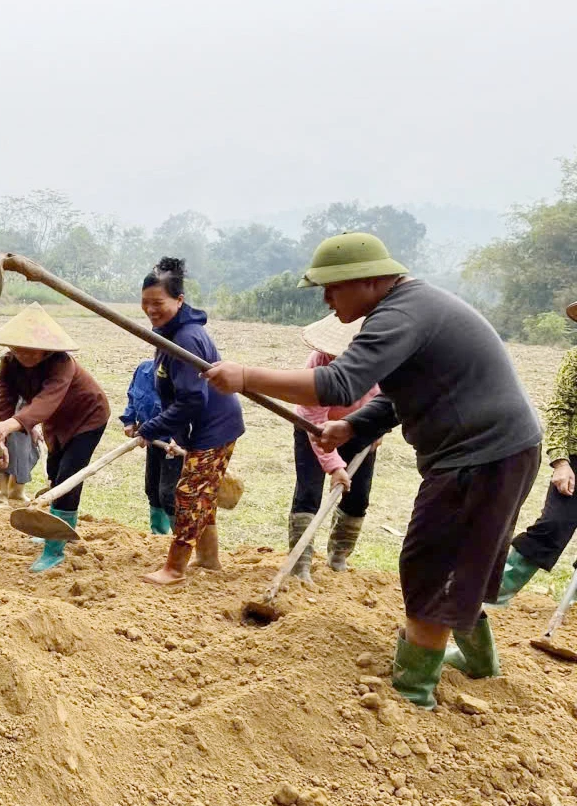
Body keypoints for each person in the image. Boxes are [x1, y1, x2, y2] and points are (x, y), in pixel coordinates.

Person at [203, 232, 541, 709]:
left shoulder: (401, 312)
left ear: (370, 281)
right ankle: (479, 664)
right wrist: (353, 426)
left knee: (429, 561)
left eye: (332, 287)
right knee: (464, 559)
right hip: (499, 452)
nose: (325, 298)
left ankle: (414, 691)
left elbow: (339, 382)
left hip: (479, 456)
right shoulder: (412, 307)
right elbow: (402, 389)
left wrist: (245, 377)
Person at [136, 258, 245, 585]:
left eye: (158, 304)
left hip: (212, 426)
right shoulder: (170, 332)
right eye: (145, 304)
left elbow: (193, 399)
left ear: (179, 300)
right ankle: (209, 560)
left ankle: (174, 569)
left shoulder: (185, 338)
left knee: (189, 495)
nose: (151, 311)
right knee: (203, 494)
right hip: (203, 426)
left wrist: (153, 427)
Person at [0, 303, 110, 572]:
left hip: (88, 417)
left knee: (68, 477)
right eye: (17, 348)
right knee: (54, 471)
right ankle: (59, 528)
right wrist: (0, 440)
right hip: (56, 423)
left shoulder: (62, 363)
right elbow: (5, 402)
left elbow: (44, 403)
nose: (23, 354)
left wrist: (10, 425)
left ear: (46, 348)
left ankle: (54, 549)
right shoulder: (9, 364)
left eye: (30, 349)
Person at [491, 300, 577, 608]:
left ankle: (570, 613)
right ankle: (491, 596)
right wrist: (562, 462)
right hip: (575, 460)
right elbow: (559, 410)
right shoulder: (575, 359)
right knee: (553, 526)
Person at [287, 313, 381, 581]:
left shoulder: (381, 364)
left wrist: (377, 427)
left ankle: (338, 556)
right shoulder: (319, 365)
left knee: (358, 497)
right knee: (308, 493)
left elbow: (387, 401)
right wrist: (334, 466)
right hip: (314, 428)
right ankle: (300, 564)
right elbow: (314, 419)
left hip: (359, 429)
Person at [119, 357, 180, 536]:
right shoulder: (143, 369)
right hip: (153, 440)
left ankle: (182, 540)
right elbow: (133, 395)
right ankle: (159, 536)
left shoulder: (182, 378)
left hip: (174, 445)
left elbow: (190, 409)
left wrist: (180, 438)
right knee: (152, 489)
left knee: (169, 495)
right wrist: (130, 420)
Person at [0, 366, 43, 505]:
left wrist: (34, 426)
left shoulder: (42, 376)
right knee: (5, 447)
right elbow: (14, 405)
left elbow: (34, 406)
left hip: (16, 413)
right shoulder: (20, 373)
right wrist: (28, 426)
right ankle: (0, 495)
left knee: (29, 447)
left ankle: (16, 492)